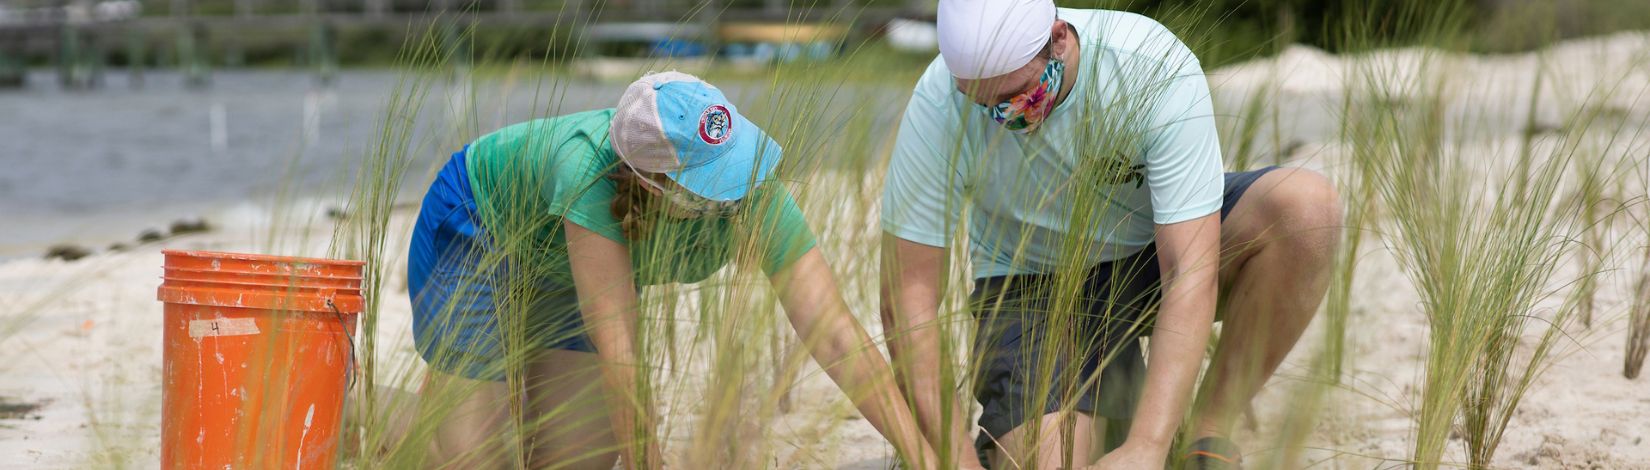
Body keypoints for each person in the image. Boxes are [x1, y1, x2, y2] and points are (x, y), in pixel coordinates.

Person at [878, 1, 1343, 469]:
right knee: (1049, 460)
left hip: (1151, 258)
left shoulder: (1151, 63)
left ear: (1059, 38)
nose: (1003, 117)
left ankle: (1207, 432)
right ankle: (1097, 406)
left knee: (1306, 210)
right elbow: (908, 298)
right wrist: (955, 460)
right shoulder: (937, 102)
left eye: (1016, 96)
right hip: (1032, 286)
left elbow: (1188, 269)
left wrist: (1149, 447)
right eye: (980, 103)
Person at [406, 71, 942, 469]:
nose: (737, 192)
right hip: (478, 231)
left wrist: (921, 455)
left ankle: (502, 400)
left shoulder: (753, 186)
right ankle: (379, 410)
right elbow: (619, 348)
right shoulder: (586, 174)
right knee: (471, 459)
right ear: (649, 183)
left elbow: (834, 332)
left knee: (578, 460)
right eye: (714, 182)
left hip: (567, 272)